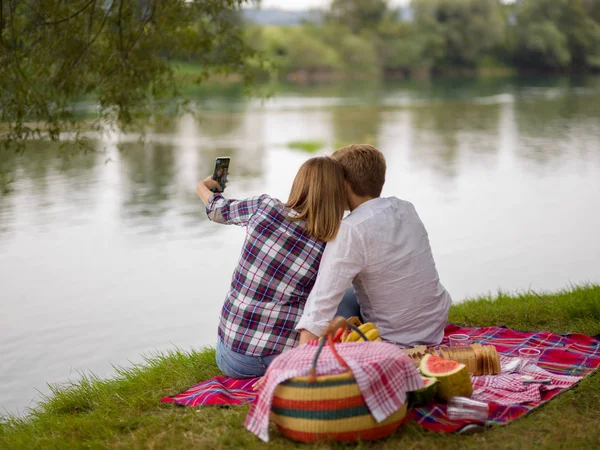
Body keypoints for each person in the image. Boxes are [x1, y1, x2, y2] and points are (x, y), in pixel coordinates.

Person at [196, 157, 347, 378]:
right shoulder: (331, 243)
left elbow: (216, 210)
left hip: (227, 353)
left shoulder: (264, 207)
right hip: (270, 359)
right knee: (348, 300)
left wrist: (203, 186)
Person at [296, 144, 452, 348]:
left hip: (396, 339)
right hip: (433, 326)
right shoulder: (405, 208)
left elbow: (320, 306)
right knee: (350, 289)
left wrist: (298, 362)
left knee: (326, 295)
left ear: (343, 185)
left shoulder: (351, 229)